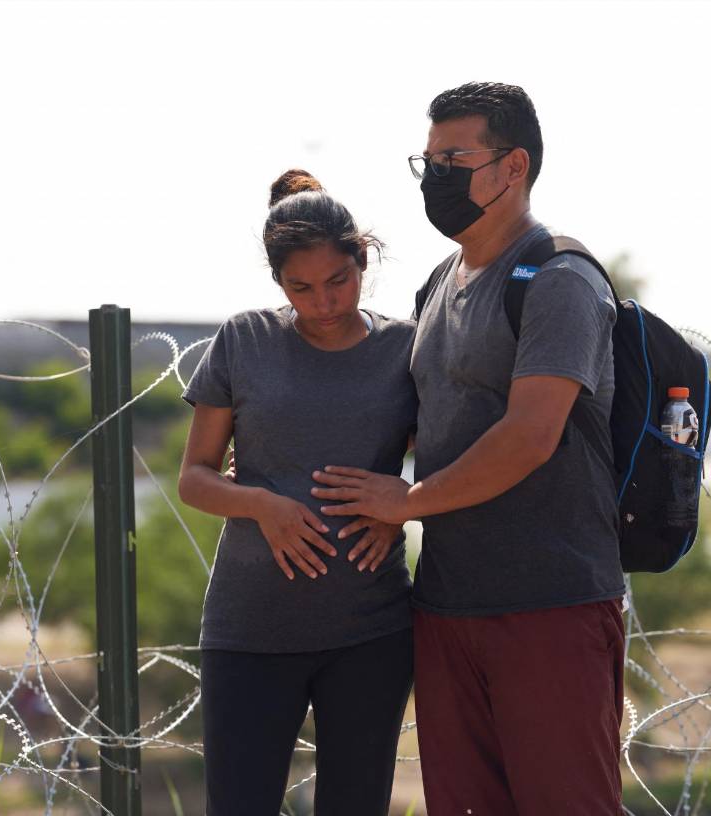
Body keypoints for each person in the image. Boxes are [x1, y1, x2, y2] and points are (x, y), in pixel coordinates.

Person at [312, 82, 626, 814]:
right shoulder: (435, 288)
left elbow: (529, 435)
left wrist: (410, 502)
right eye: (428, 162)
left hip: (551, 604)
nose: (436, 178)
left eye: (454, 158)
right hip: (449, 606)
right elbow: (409, 422)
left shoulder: (559, 278)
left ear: (512, 167)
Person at [177, 170, 416, 815]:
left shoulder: (406, 348)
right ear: (278, 282)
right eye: (301, 287)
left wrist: (401, 502)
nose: (324, 301)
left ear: (362, 261)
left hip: (371, 629)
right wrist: (263, 504)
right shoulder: (244, 339)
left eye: (339, 280)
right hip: (249, 630)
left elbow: (441, 471)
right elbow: (194, 478)